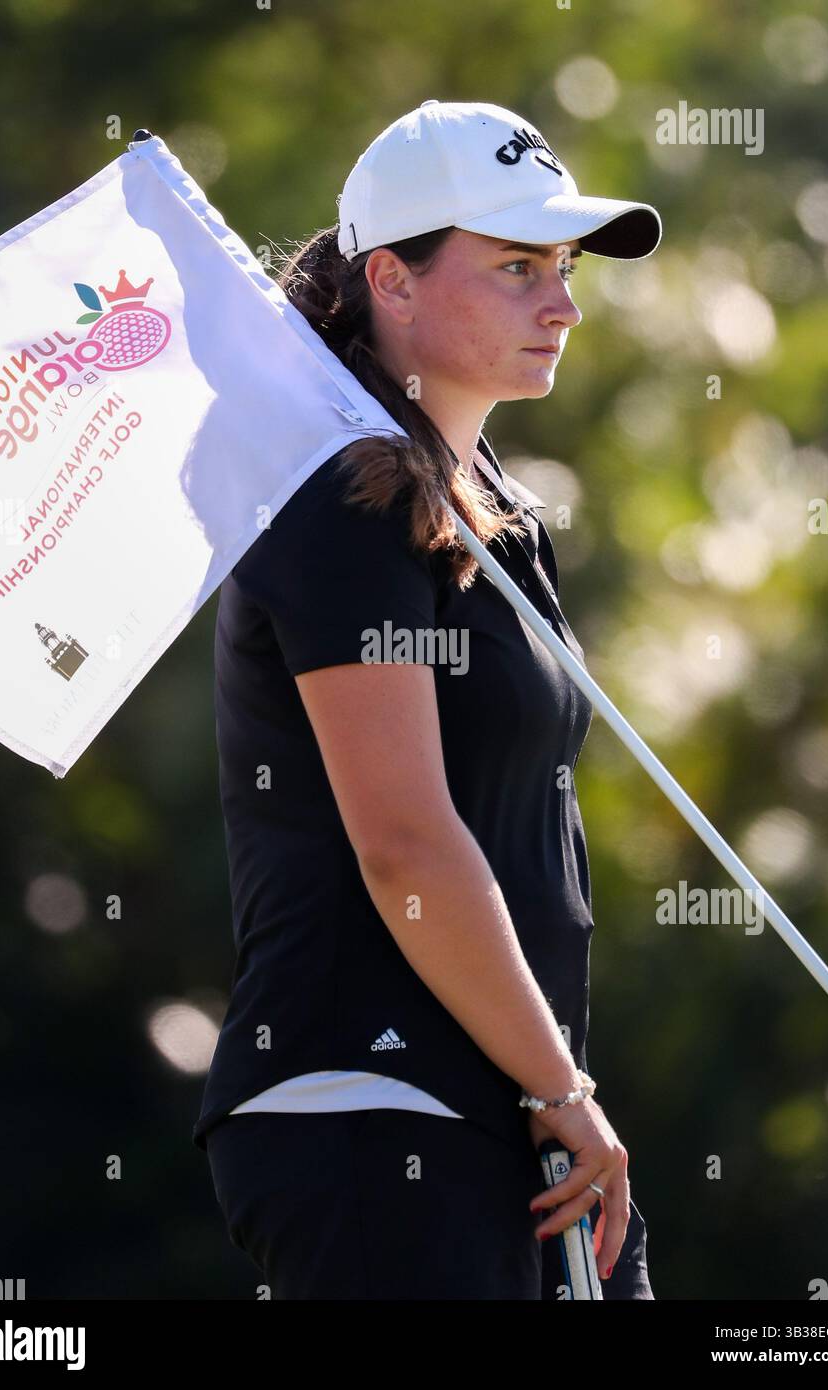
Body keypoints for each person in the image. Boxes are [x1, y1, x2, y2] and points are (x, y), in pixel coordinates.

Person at [193, 99, 662, 1300]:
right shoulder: (331, 501)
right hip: (374, 1112)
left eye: (559, 269)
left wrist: (553, 1092)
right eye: (515, 269)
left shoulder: (497, 502)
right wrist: (561, 1092)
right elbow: (403, 844)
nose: (559, 302)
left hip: (507, 1115)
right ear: (391, 281)